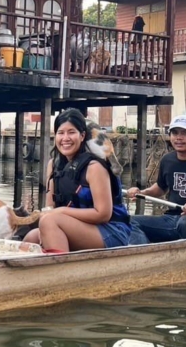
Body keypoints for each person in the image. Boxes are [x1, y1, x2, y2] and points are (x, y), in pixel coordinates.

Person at [23, 108, 131, 253]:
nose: (65, 138)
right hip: (78, 225)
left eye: (71, 132)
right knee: (31, 238)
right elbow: (50, 207)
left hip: (111, 229)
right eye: (61, 133)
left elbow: (103, 214)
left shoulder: (95, 167)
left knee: (50, 221)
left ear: (82, 135)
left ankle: (62, 272)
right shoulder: (53, 165)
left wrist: (61, 211)